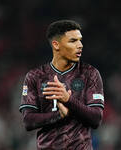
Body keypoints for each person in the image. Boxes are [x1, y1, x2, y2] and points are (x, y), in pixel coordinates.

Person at [19, 20, 105, 150]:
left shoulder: (90, 74)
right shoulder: (35, 76)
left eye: (80, 40)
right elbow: (28, 121)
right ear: (56, 45)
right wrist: (58, 116)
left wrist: (68, 100)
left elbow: (96, 119)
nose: (80, 45)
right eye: (73, 41)